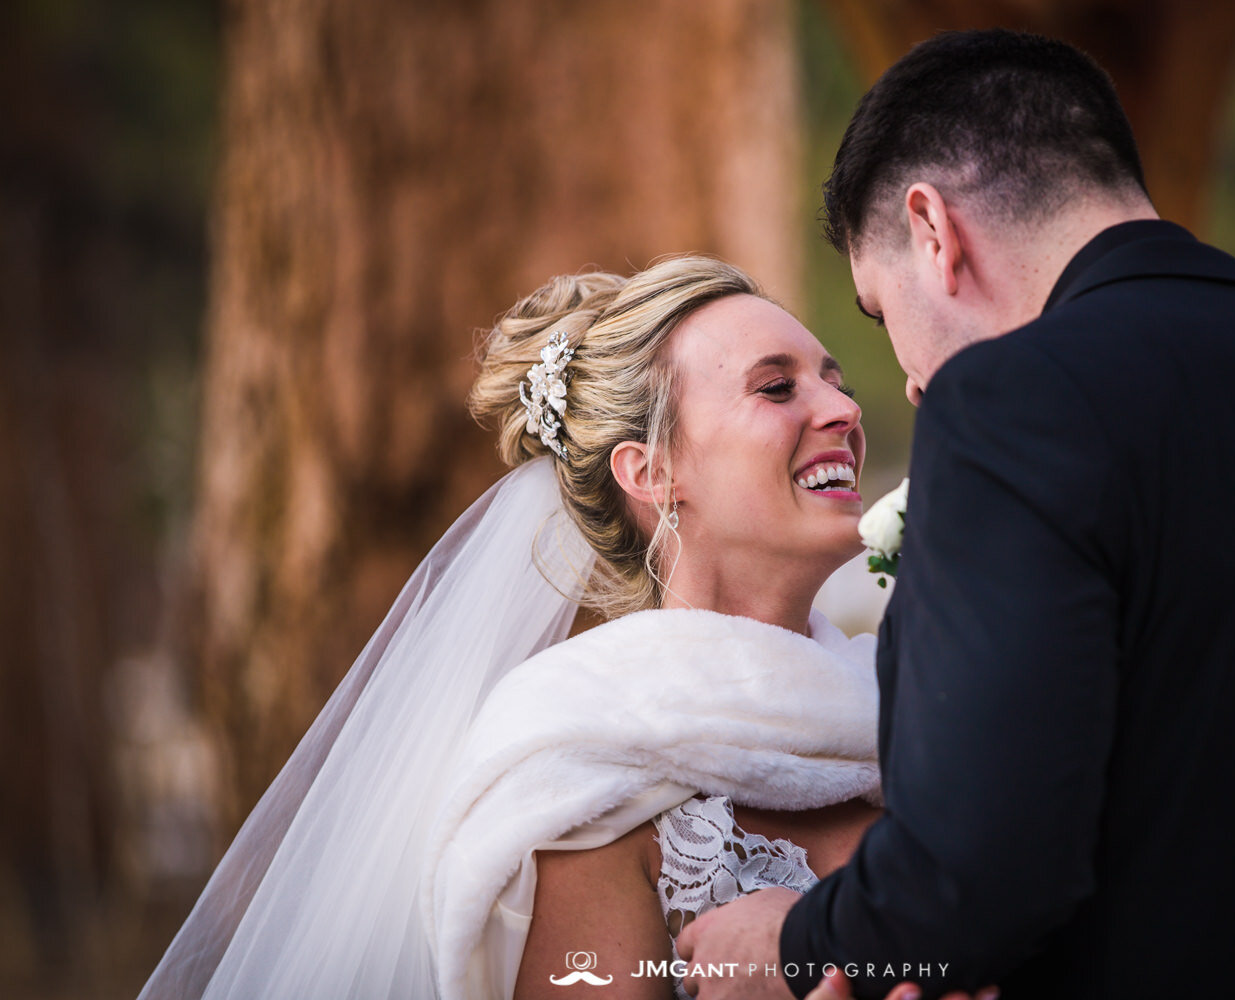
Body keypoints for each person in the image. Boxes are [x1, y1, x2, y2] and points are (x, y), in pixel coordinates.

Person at [679, 28, 1235, 1000]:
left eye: (876, 309)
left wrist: (798, 944)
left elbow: (973, 871)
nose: (904, 377)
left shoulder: (1013, 404)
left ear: (933, 231)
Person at [138, 256, 891, 1000]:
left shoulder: (908, 712)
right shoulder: (581, 765)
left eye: (836, 382)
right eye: (776, 387)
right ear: (651, 472)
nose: (843, 410)